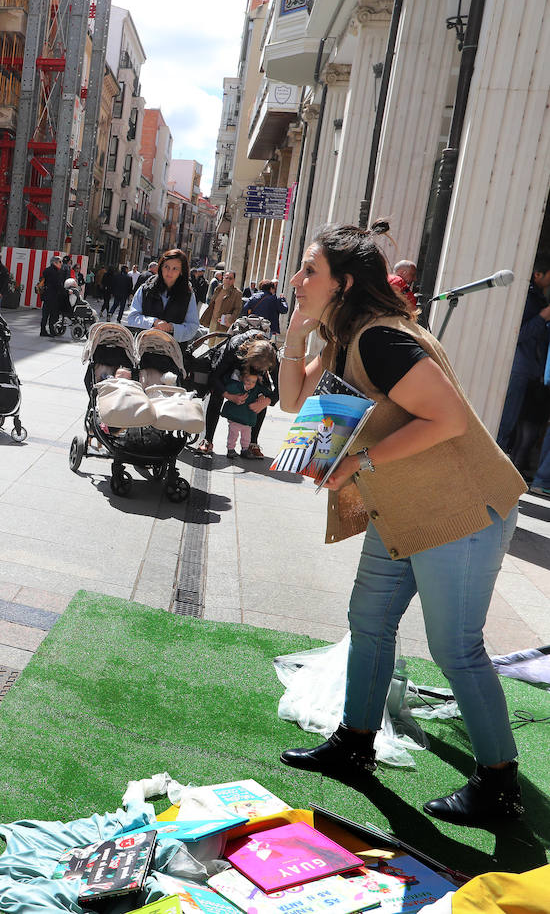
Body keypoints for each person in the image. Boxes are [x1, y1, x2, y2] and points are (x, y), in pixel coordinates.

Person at [276, 221, 526, 828]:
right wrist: (296, 334)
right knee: (368, 623)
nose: (297, 279)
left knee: (456, 650)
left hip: (461, 514)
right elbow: (292, 403)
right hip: (404, 513)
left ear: (346, 283)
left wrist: (358, 461)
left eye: (311, 270)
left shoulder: (382, 340)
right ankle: (355, 742)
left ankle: (498, 782)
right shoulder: (342, 338)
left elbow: (447, 419)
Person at [496, 254, 550, 462]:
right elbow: (518, 335)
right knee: (506, 421)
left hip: (532, 372)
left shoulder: (538, 297)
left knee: (522, 424)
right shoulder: (526, 298)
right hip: (519, 369)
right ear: (538, 274)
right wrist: (543, 317)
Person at [126, 248, 200, 342]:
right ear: (161, 267)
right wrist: (154, 322)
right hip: (142, 346)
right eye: (166, 267)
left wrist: (171, 328)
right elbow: (132, 318)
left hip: (172, 350)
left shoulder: (188, 295)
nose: (169, 272)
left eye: (175, 269)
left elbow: (192, 326)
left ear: (181, 271)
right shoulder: (145, 289)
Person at [219, 341, 278, 459]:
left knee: (247, 432)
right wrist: (229, 395)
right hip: (235, 370)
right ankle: (210, 440)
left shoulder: (272, 358)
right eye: (257, 367)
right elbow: (217, 377)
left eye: (263, 368)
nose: (258, 369)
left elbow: (280, 387)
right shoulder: (234, 349)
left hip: (248, 417)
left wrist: (267, 399)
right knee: (233, 433)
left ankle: (251, 444)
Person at [200, 268, 243, 333]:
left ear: (234, 280)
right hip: (213, 323)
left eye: (230, 278)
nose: (228, 280)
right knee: (210, 343)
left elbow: (237, 309)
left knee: (219, 343)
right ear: (223, 278)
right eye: (226, 278)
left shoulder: (237, 293)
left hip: (223, 326)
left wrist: (230, 320)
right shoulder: (218, 289)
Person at [39, 255, 65, 337]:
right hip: (53, 296)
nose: (61, 264)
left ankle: (43, 331)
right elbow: (57, 284)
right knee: (53, 315)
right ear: (55, 262)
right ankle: (52, 331)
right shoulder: (55, 272)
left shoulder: (46, 270)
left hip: (46, 295)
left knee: (45, 315)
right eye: (60, 262)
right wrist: (65, 291)